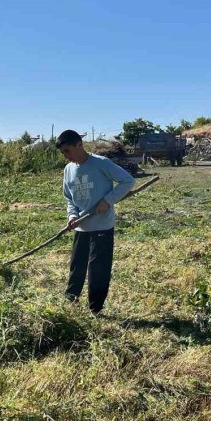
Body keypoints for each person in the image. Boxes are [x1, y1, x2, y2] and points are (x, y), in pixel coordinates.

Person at [58, 129, 135, 313]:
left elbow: (127, 181)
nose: (66, 156)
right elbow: (70, 199)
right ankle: (70, 301)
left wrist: (107, 201)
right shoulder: (68, 170)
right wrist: (72, 216)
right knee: (77, 267)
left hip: (102, 225)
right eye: (63, 153)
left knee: (98, 269)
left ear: (79, 144)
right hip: (81, 227)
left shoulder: (101, 163)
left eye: (68, 151)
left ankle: (95, 309)